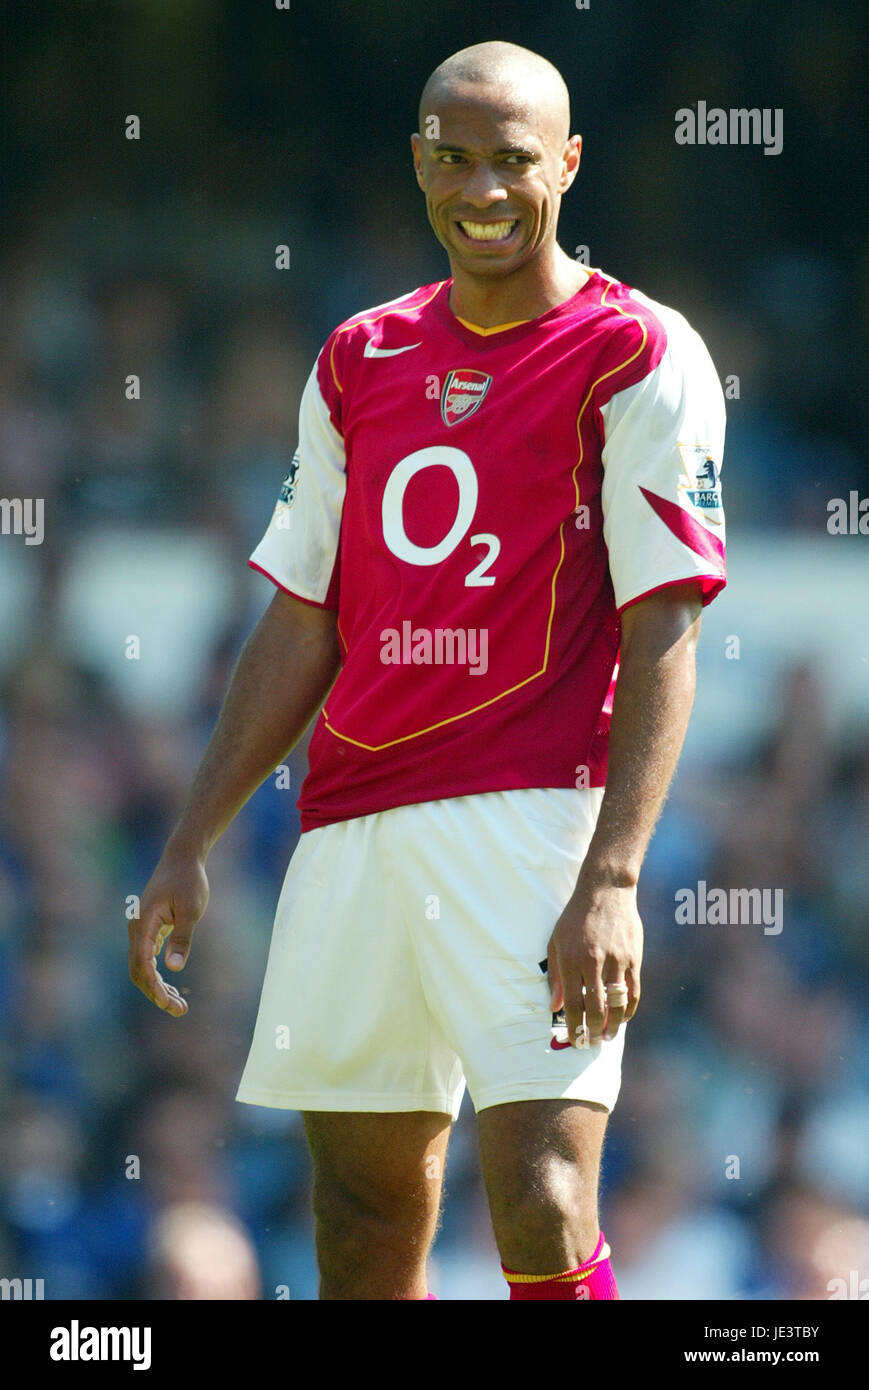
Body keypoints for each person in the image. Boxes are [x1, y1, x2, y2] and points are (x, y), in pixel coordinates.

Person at [129, 39, 727, 1301]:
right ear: (417, 163)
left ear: (566, 163)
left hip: (532, 816)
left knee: (544, 1195)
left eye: (512, 160)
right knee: (357, 1214)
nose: (482, 188)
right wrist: (191, 838)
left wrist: (612, 876)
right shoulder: (356, 357)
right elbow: (302, 618)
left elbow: (663, 621)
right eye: (452, 159)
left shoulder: (636, 351)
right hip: (350, 823)